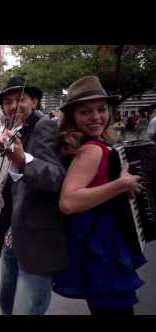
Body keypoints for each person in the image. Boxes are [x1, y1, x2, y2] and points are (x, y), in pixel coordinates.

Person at [54, 75, 146, 316]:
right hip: (102, 249)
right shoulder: (92, 150)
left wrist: (120, 188)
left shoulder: (94, 144)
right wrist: (119, 184)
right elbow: (68, 202)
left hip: (100, 244)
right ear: (73, 115)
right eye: (85, 112)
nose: (96, 117)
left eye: (101, 109)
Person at [0, 77, 67, 315]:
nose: (13, 106)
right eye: (8, 102)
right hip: (13, 234)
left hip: (37, 239)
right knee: (6, 299)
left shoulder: (46, 126)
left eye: (20, 99)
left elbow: (55, 177)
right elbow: (14, 176)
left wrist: (21, 159)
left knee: (28, 308)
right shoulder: (19, 130)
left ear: (35, 101)